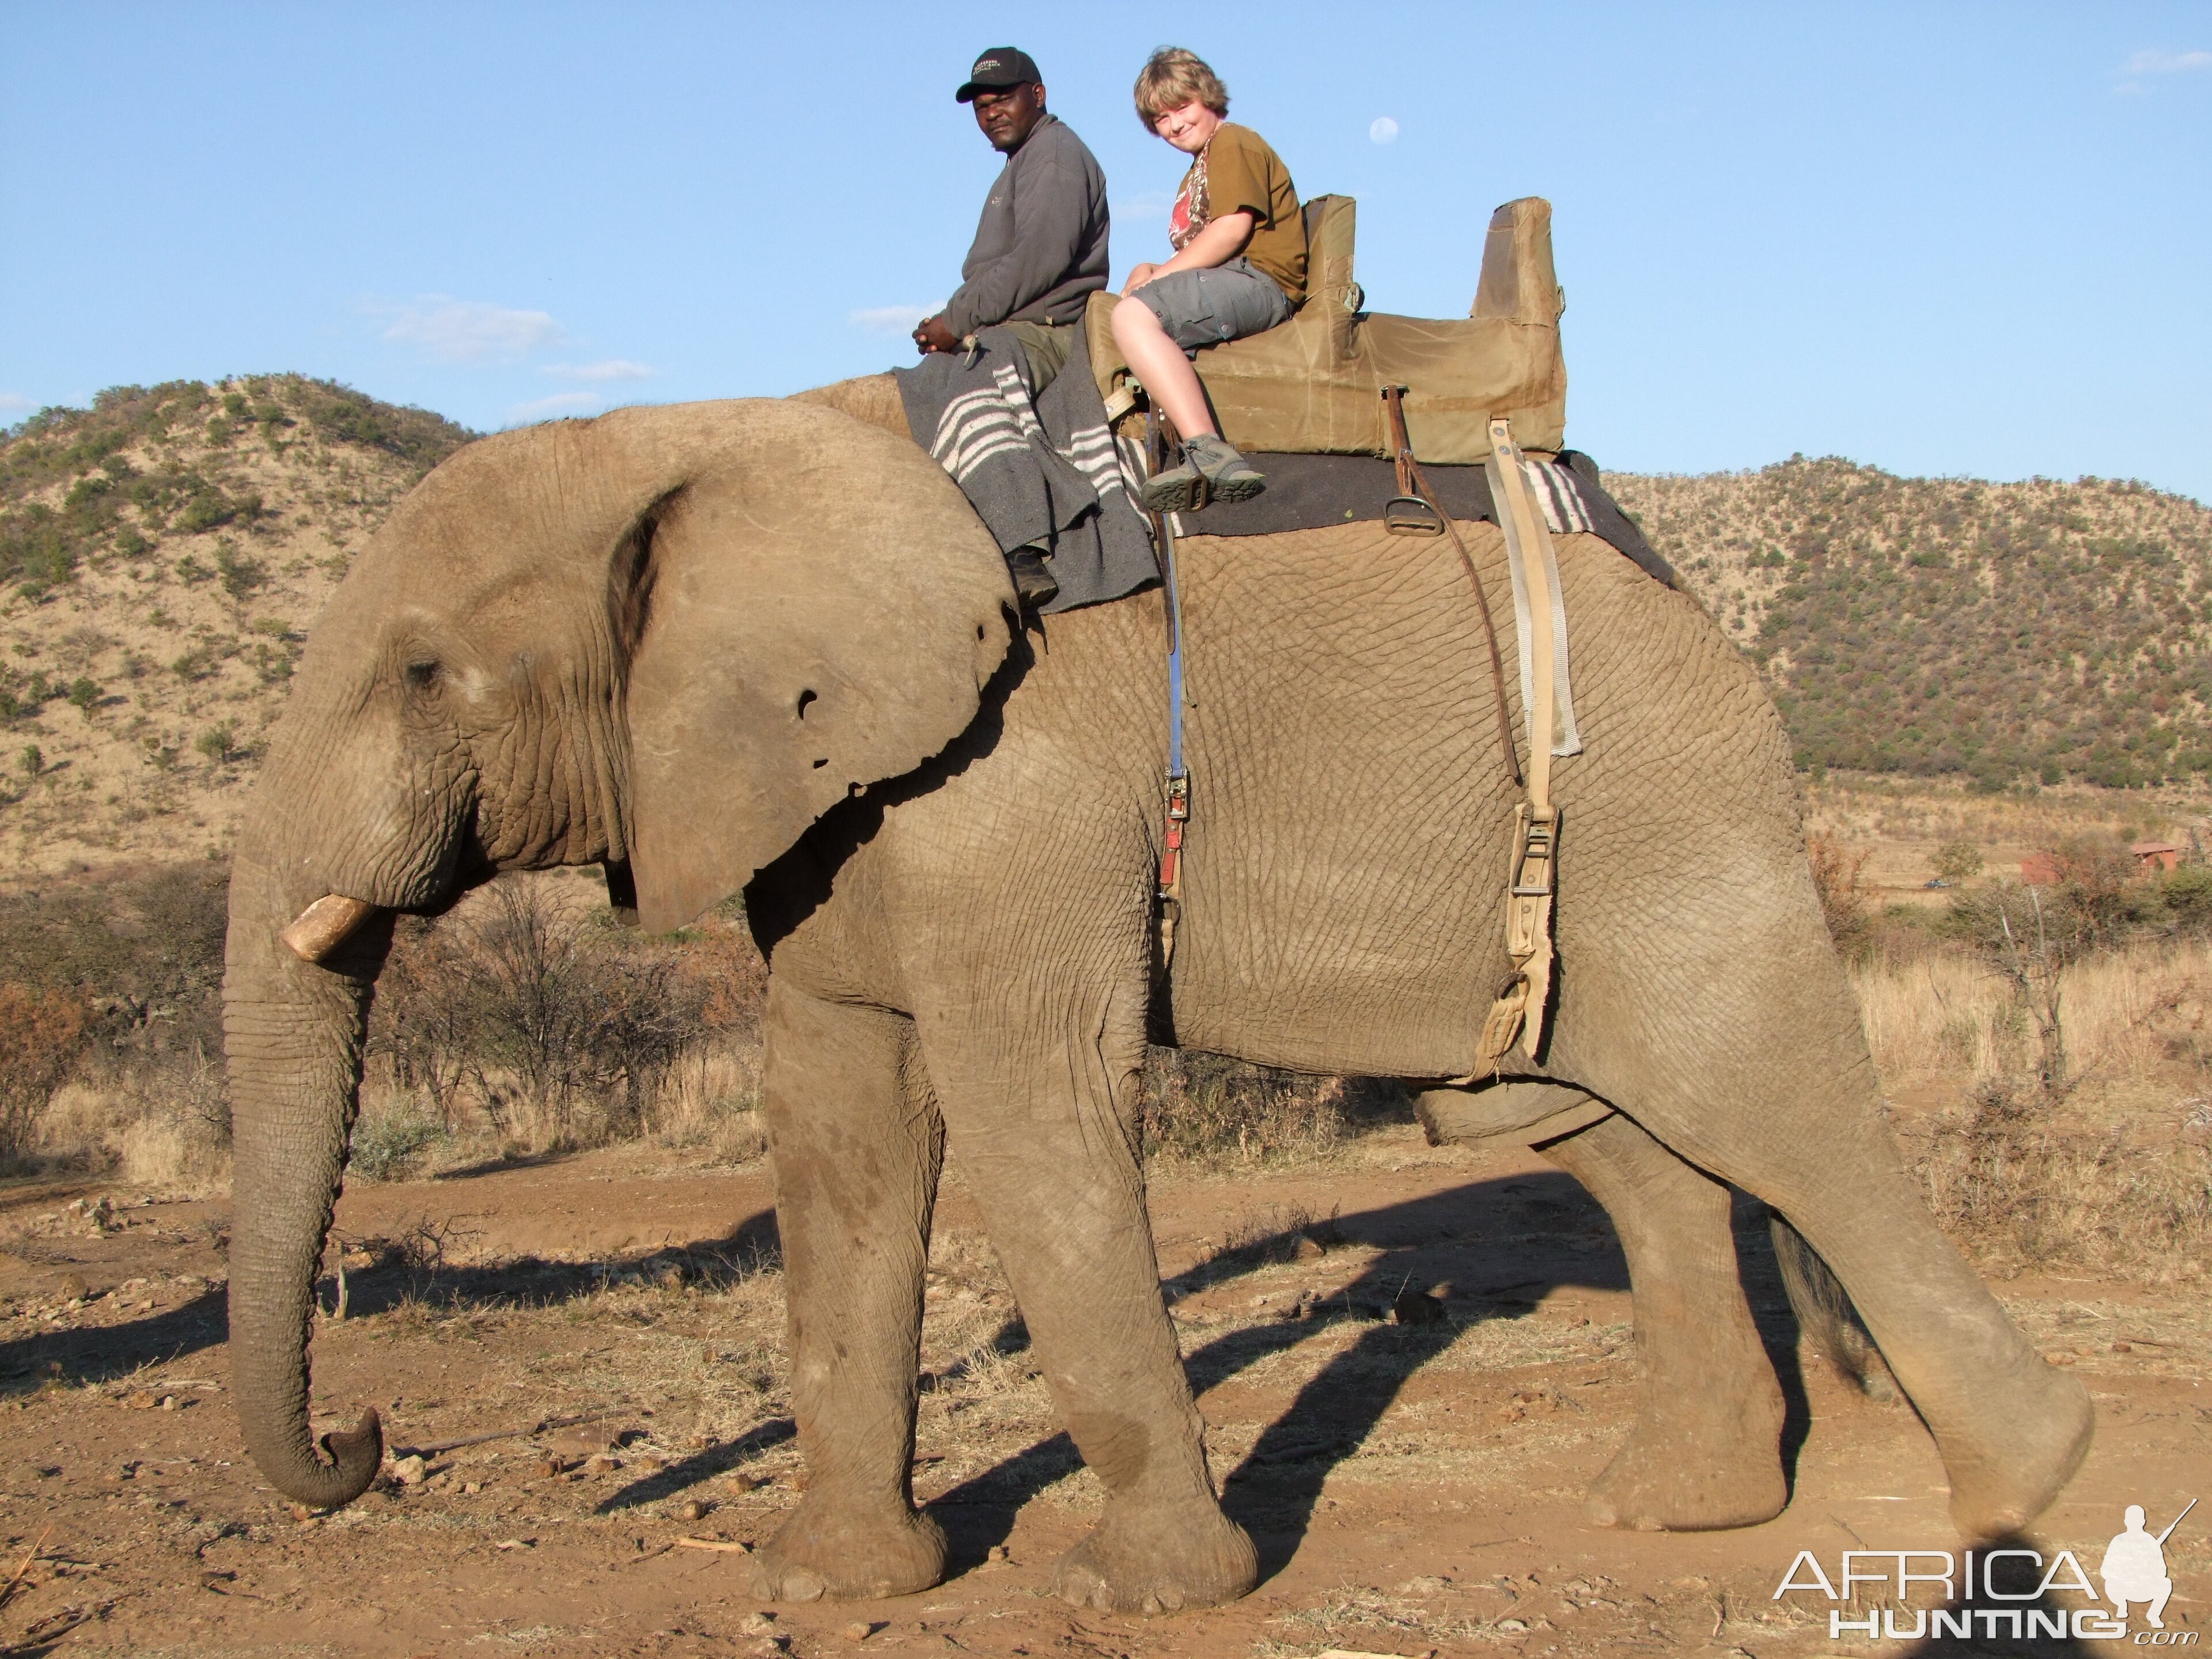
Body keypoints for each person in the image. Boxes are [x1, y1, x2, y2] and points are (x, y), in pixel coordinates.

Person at [1112, 48, 1305, 514]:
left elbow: (1231, 229)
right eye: (1161, 118)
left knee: (1133, 318)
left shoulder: (1233, 142)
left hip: (1258, 280)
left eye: (1182, 107)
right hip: (1231, 275)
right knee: (1133, 301)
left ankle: (1207, 449)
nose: (1175, 125)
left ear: (1209, 97)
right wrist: (1152, 268)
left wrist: (1160, 277)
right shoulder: (1199, 165)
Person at [911, 47, 1109, 403]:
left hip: (1046, 333)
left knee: (973, 401)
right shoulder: (1023, 161)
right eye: (981, 107)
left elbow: (1036, 259)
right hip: (1004, 328)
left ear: (1038, 95)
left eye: (1003, 100)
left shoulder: (1054, 153)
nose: (992, 114)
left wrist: (954, 322)